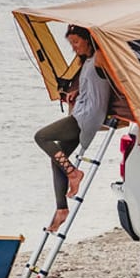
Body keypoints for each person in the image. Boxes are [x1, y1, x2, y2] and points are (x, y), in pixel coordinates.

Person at [34, 24, 111, 232]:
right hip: (82, 111)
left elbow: (110, 74)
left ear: (88, 40)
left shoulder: (100, 57)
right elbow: (94, 84)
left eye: (77, 42)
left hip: (87, 116)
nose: (74, 47)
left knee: (41, 137)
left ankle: (74, 174)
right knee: (57, 158)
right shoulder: (86, 62)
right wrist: (77, 91)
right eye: (71, 44)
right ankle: (61, 209)